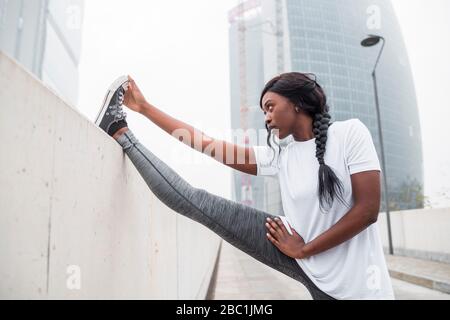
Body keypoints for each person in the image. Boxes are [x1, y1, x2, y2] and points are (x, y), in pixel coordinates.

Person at [94, 72, 395, 300]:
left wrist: (305, 249)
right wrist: (145, 108)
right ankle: (119, 131)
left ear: (297, 103)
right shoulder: (281, 155)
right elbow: (205, 143)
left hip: (358, 290)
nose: (266, 118)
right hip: (296, 250)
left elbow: (368, 210)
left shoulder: (350, 134)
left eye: (270, 107)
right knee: (198, 202)